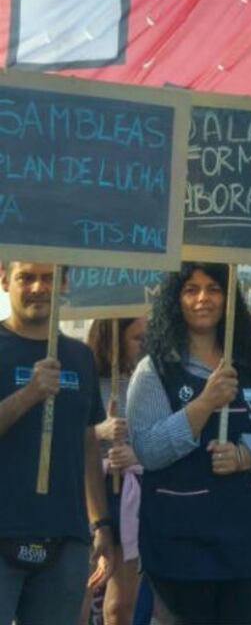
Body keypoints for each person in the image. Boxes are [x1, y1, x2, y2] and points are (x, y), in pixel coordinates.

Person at [127, 262, 251, 624]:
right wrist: (204, 404)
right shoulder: (154, 370)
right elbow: (148, 449)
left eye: (214, 289)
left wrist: (246, 455)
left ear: (228, 298)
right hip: (181, 551)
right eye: (191, 290)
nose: (203, 298)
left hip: (250, 546)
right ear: (176, 299)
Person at [0, 261, 114, 623]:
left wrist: (101, 524)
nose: (38, 287)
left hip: (65, 538)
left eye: (48, 278)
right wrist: (30, 393)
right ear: (4, 279)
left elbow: (87, 445)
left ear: (64, 283)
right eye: (27, 277)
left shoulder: (80, 356)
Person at [86, 317, 148, 625]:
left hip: (129, 496)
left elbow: (159, 437)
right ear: (114, 337)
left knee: (121, 605)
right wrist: (100, 431)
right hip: (89, 494)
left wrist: (136, 453)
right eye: (137, 338)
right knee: (80, 594)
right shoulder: (84, 378)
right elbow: (62, 433)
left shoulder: (147, 380)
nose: (144, 345)